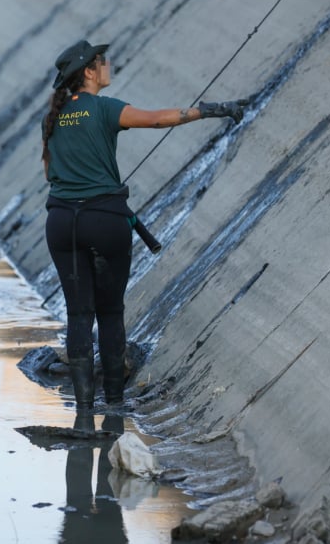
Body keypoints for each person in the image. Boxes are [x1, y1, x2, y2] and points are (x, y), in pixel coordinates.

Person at [42, 39, 248, 412]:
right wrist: (212, 110)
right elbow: (156, 119)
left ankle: (85, 411)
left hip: (60, 223)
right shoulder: (103, 109)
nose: (108, 64)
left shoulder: (53, 117)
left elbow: (49, 172)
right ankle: (115, 405)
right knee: (109, 313)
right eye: (102, 61)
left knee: (78, 315)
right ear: (89, 72)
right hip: (105, 221)